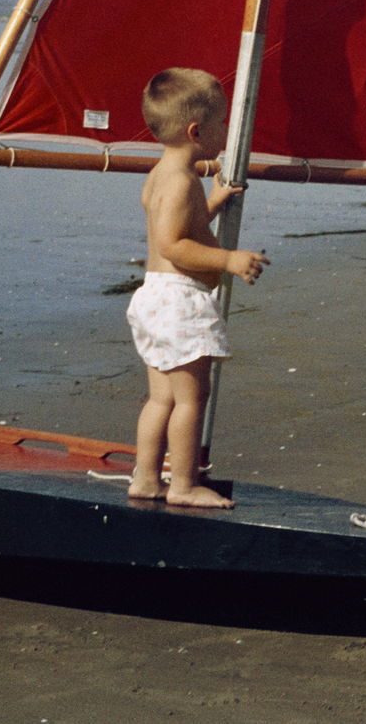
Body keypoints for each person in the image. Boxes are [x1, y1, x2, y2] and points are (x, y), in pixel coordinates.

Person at [126, 67, 268, 508]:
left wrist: (213, 201)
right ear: (196, 131)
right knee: (191, 399)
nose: (226, 131)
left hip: (153, 297)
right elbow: (174, 244)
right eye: (222, 123)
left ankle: (146, 479)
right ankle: (183, 485)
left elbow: (183, 224)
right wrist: (228, 259)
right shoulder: (179, 180)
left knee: (162, 399)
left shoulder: (163, 175)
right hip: (177, 301)